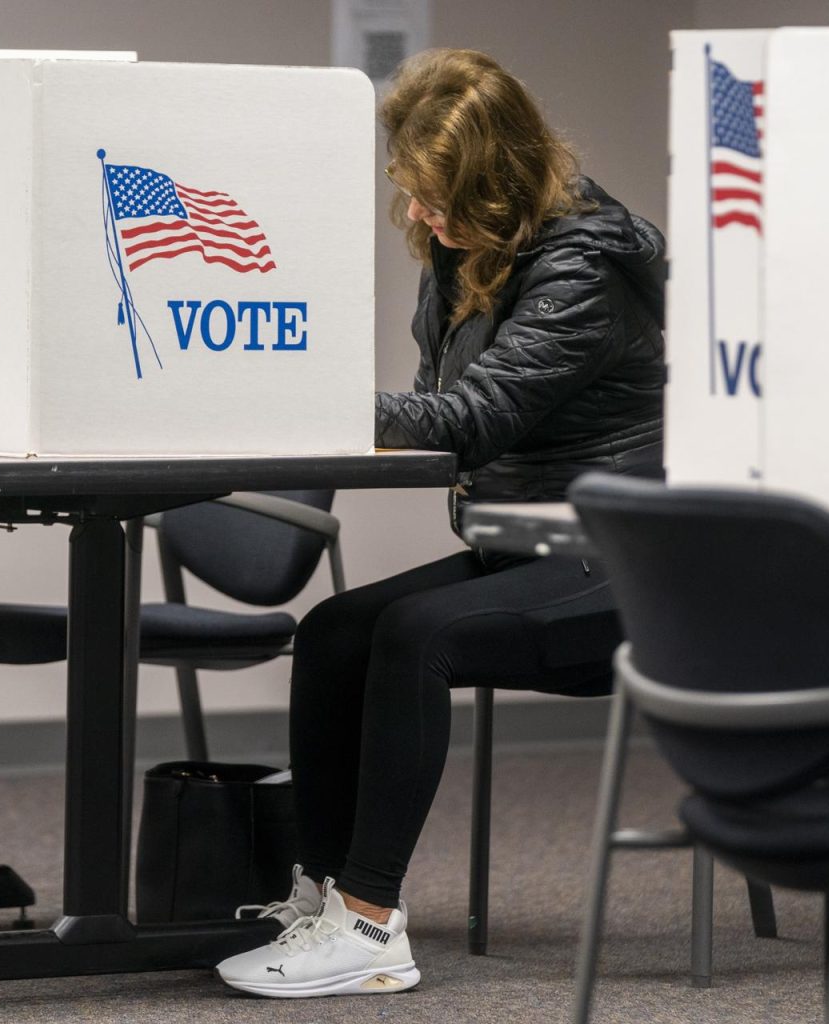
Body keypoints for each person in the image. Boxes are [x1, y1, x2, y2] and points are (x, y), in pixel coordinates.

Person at [216, 48, 665, 998]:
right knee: (336, 631)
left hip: (626, 561)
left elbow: (467, 422)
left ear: (498, 183)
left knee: (417, 636)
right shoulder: (468, 254)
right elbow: (435, 409)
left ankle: (372, 926)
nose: (418, 214)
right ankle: (328, 898)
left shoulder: (586, 266)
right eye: (412, 193)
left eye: (437, 196)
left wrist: (294, 393)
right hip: (528, 546)